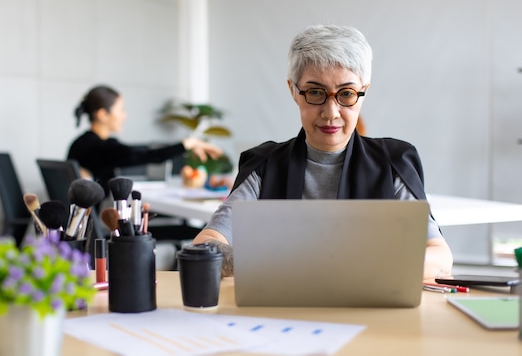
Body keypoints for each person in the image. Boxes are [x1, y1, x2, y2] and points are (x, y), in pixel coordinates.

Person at [192, 24, 453, 280]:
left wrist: (348, 268)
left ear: (364, 93)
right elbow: (205, 246)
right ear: (294, 91)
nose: (331, 112)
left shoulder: (393, 163)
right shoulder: (265, 166)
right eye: (315, 92)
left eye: (347, 93)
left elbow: (440, 258)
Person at [68, 85, 223, 196]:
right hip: (100, 226)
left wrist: (186, 145)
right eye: (121, 110)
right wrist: (187, 144)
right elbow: (147, 154)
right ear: (103, 114)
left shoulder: (81, 143)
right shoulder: (100, 148)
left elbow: (140, 151)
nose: (124, 115)